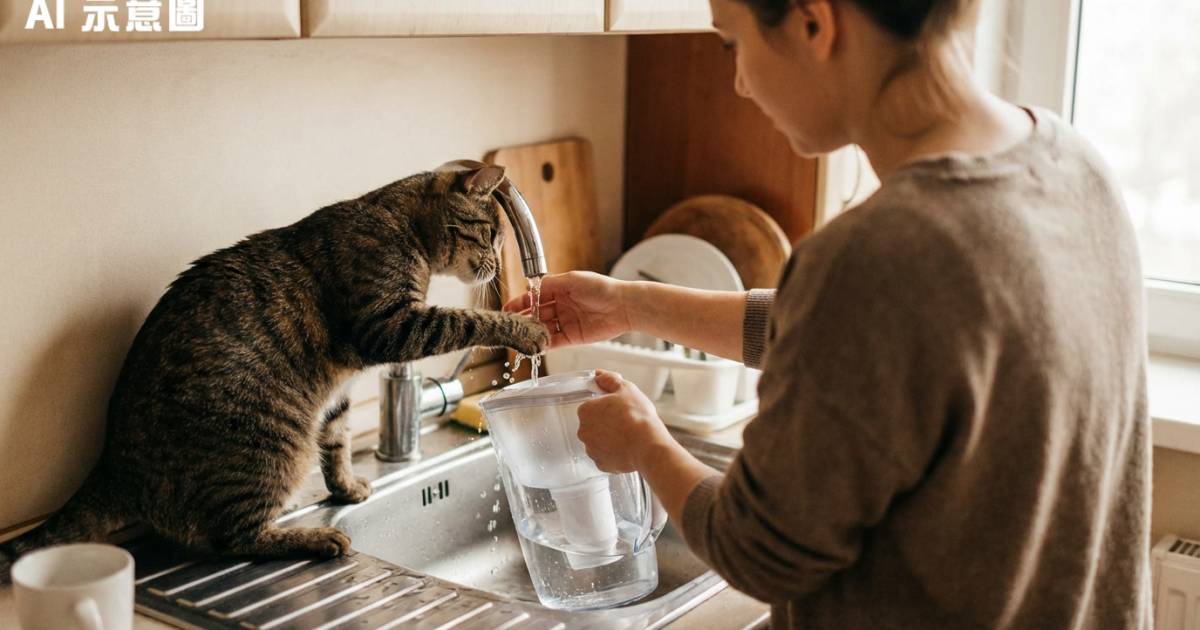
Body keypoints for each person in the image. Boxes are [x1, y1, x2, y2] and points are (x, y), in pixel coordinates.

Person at [505, 0, 1151, 627]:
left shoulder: (875, 256)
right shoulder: (1072, 164)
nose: (737, 82)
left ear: (814, 21)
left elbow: (755, 548)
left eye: (733, 43)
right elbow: (860, 339)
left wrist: (644, 444)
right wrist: (630, 303)